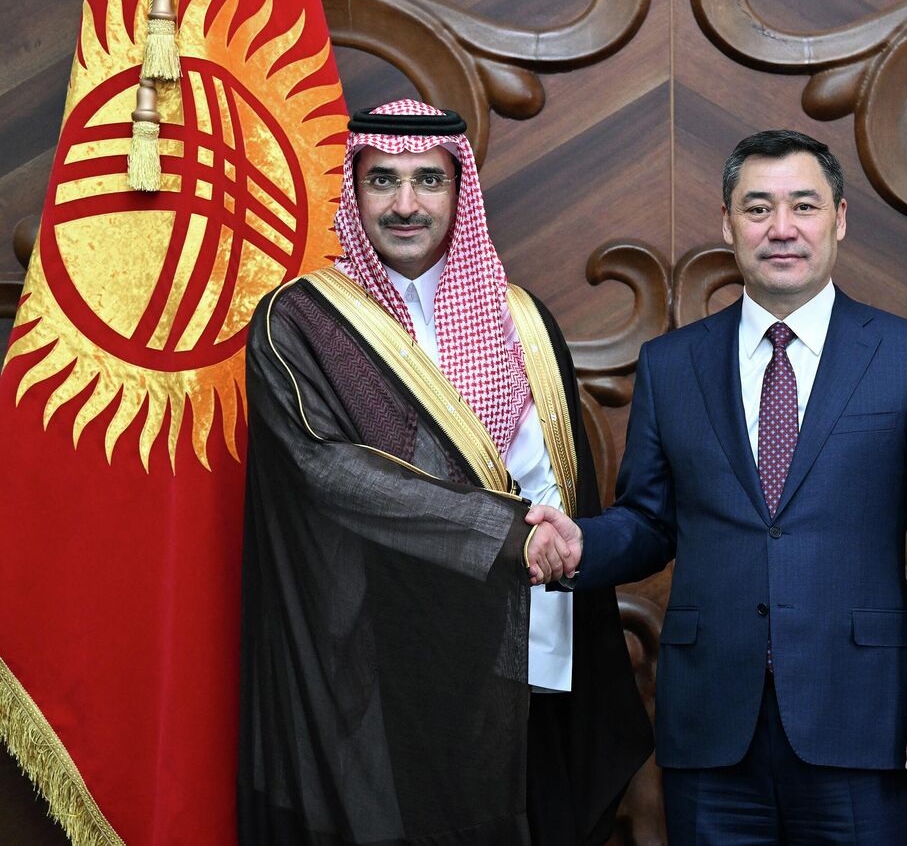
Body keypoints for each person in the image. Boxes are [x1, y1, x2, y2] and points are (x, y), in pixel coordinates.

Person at [528, 129, 907, 843]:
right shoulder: (671, 364)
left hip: (862, 721)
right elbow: (650, 520)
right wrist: (583, 543)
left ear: (839, 219)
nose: (781, 228)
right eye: (757, 208)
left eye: (803, 206)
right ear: (727, 224)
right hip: (711, 727)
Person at [237, 99, 651, 846]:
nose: (406, 204)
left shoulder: (523, 320)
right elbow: (332, 472)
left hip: (527, 658)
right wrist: (507, 536)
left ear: (460, 192)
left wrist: (554, 550)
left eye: (428, 180)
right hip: (384, 675)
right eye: (382, 180)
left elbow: (560, 478)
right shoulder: (299, 322)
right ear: (353, 190)